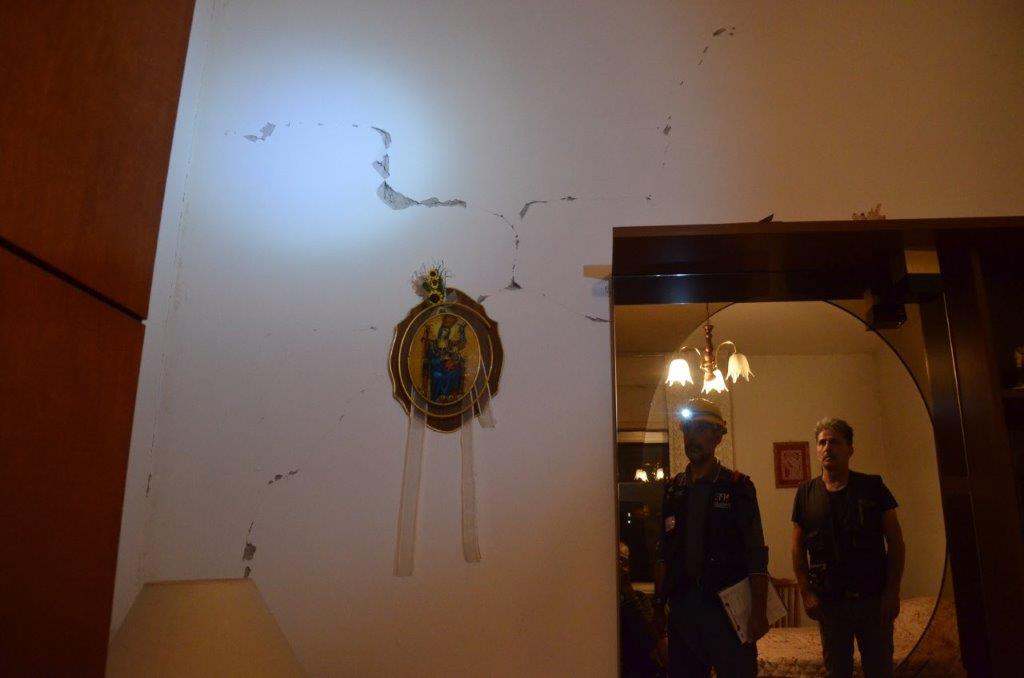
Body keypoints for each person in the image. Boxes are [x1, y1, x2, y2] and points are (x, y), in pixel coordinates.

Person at [653, 398, 770, 677]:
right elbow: (663, 554)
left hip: (727, 612)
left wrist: (759, 611)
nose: (692, 436)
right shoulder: (673, 490)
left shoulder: (737, 487)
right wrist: (658, 608)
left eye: (701, 429)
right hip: (683, 611)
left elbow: (756, 552)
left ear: (718, 437)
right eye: (688, 430)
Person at [791, 418, 906, 678]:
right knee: (837, 670)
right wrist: (806, 593)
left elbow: (896, 543)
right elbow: (797, 549)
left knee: (879, 669)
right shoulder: (805, 493)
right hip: (830, 604)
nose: (827, 448)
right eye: (822, 442)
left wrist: (892, 592)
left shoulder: (873, 486)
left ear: (850, 449)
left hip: (873, 601)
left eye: (834, 442)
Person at [619, 542, 668, 677]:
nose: (621, 567)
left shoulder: (640, 599)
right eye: (617, 561)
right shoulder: (601, 607)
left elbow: (652, 642)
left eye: (624, 562)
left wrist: (628, 592)